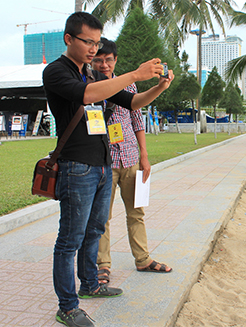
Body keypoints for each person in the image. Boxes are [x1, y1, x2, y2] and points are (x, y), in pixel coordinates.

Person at [43, 12, 166, 327]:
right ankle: (68, 307)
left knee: (95, 230)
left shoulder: (94, 76)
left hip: (102, 165)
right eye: (88, 42)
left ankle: (91, 284)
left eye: (97, 43)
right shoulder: (57, 72)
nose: (93, 50)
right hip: (75, 167)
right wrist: (134, 72)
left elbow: (133, 102)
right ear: (69, 39)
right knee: (69, 240)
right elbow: (86, 96)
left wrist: (159, 86)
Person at [90, 38, 174, 283]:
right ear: (92, 59)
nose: (103, 65)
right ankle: (102, 265)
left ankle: (143, 259)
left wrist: (144, 156)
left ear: (115, 60)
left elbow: (137, 120)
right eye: (98, 60)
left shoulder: (128, 85)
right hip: (102, 162)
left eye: (108, 60)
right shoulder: (87, 86)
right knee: (101, 217)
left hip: (129, 158)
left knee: (136, 212)